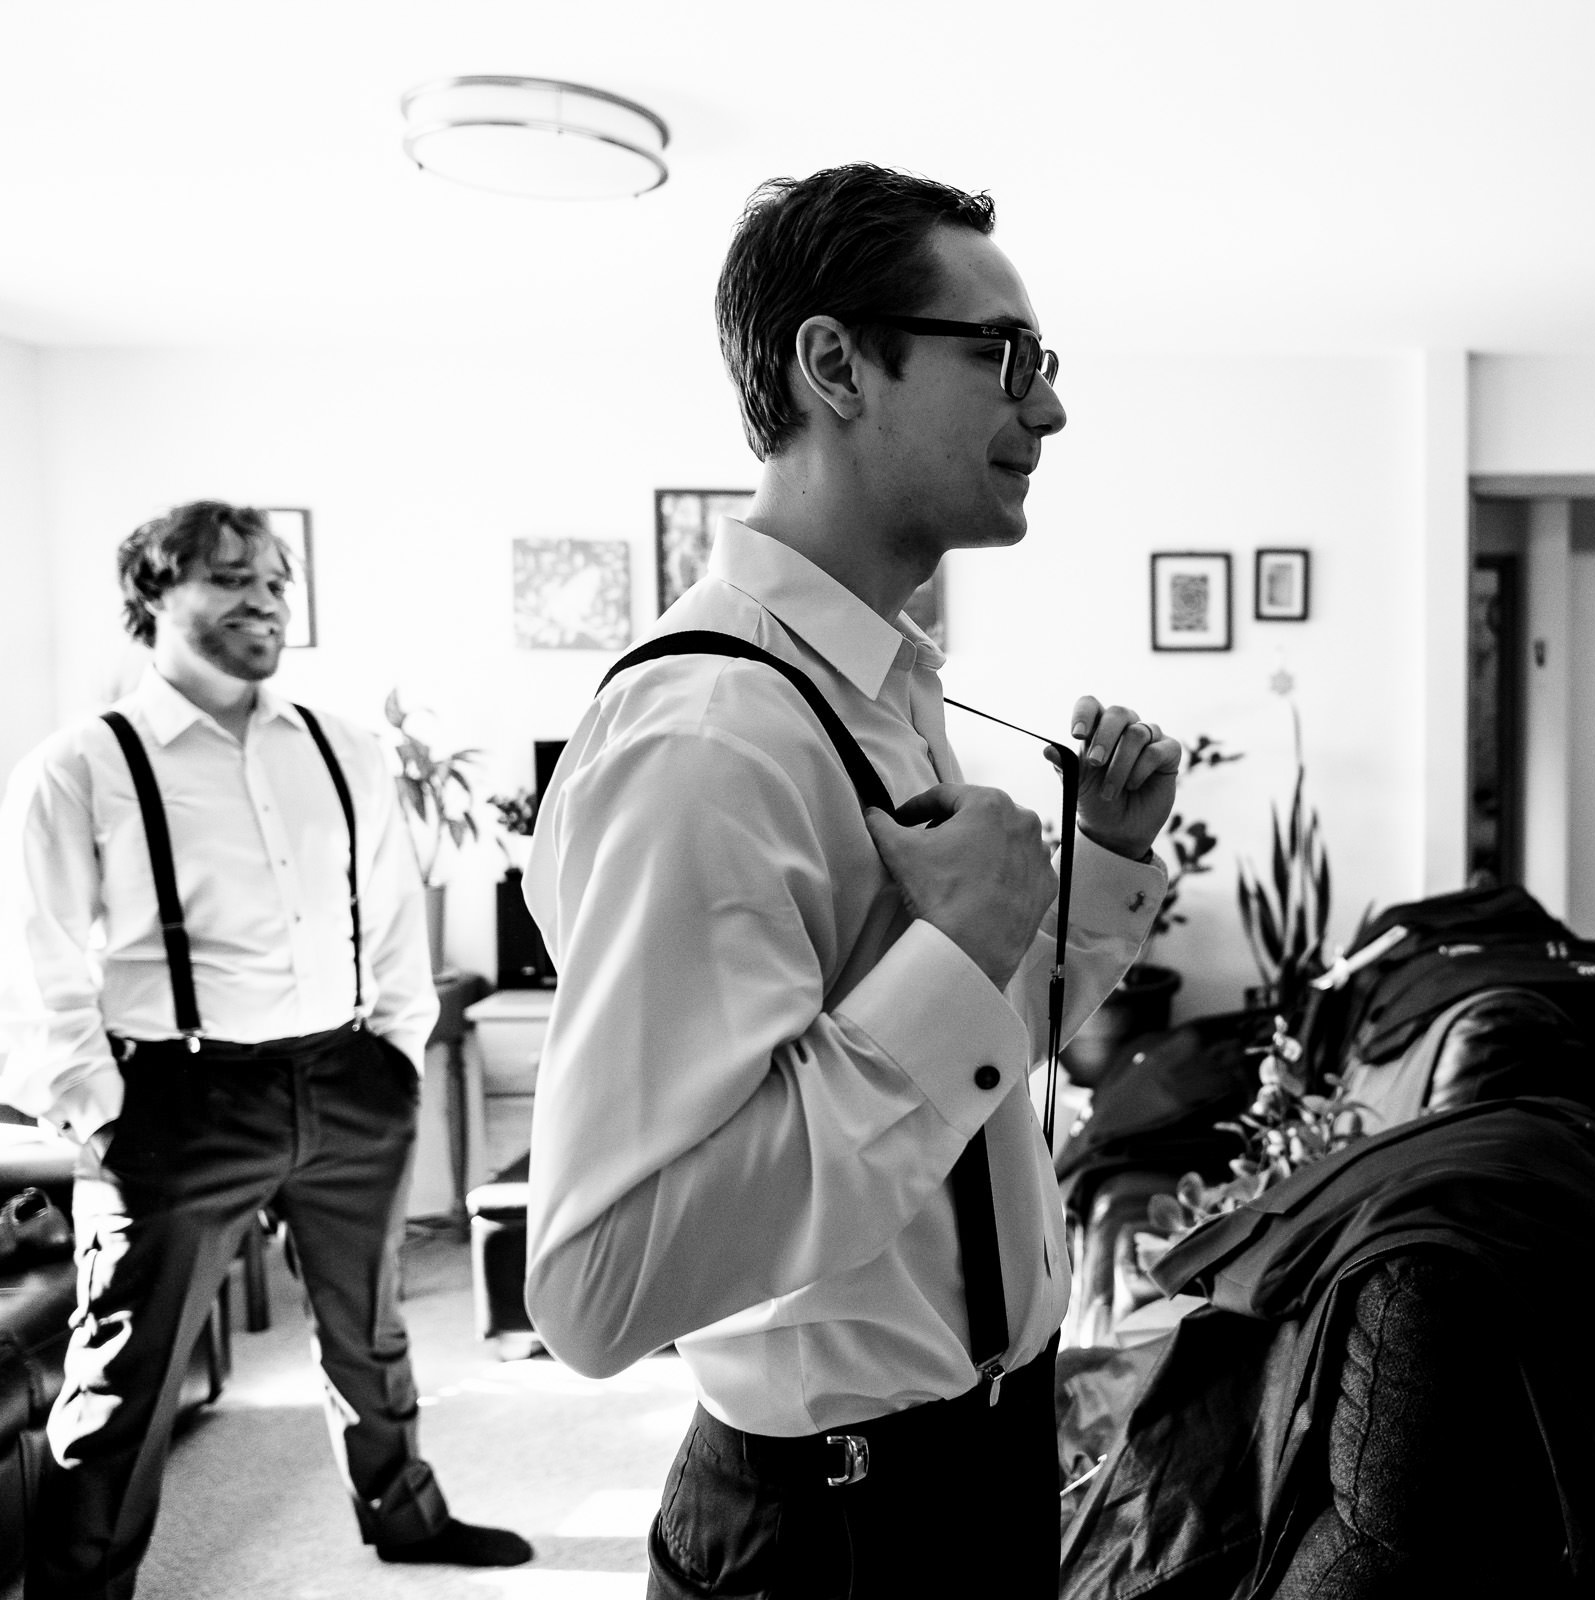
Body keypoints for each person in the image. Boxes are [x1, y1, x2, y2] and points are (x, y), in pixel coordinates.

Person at [521, 165, 1177, 1599]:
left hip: (974, 1469)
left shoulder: (885, 686)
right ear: (835, 365)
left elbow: (968, 1062)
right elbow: (597, 1287)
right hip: (834, 1536)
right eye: (1006, 356)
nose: (1051, 410)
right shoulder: (709, 737)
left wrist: (1103, 872)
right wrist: (955, 953)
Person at [0, 501, 530, 1597]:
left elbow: (392, 916)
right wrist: (99, 1111)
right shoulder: (81, 765)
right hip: (173, 1099)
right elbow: (32, 965)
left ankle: (406, 1516)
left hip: (345, 1079)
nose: (266, 600)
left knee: (370, 1332)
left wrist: (394, 1056)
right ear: (153, 594)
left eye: (277, 581)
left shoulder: (341, 748)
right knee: (123, 1377)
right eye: (232, 578)